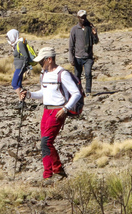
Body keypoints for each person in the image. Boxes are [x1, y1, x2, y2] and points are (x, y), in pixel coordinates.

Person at [18, 47, 81, 182]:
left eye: (42, 61)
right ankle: (53, 171)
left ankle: (52, 173)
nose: (40, 64)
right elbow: (43, 93)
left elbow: (76, 93)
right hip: (46, 111)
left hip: (58, 111)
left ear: (49, 59)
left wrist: (65, 109)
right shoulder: (44, 74)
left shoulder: (62, 74)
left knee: (46, 142)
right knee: (45, 143)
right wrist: (29, 94)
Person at [68, 10, 99, 94]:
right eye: (81, 17)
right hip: (77, 57)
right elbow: (71, 45)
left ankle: (88, 91)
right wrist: (71, 58)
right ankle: (79, 91)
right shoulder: (74, 29)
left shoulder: (90, 28)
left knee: (88, 74)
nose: (83, 19)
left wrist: (95, 34)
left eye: (84, 17)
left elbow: (96, 41)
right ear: (78, 18)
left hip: (88, 57)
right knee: (77, 76)